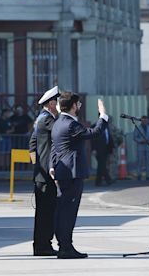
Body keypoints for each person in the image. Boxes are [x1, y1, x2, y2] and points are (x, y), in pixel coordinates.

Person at [50, 93, 108, 259]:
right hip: (72, 173)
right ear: (73, 106)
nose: (80, 106)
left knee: (62, 210)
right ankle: (66, 247)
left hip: (63, 171)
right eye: (79, 104)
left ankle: (64, 245)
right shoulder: (70, 124)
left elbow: (55, 149)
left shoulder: (58, 123)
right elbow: (94, 132)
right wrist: (103, 115)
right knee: (69, 212)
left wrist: (52, 166)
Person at [29, 85, 59, 256]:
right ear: (52, 103)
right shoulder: (47, 119)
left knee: (46, 212)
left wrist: (37, 165)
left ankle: (42, 245)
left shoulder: (42, 118)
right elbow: (63, 128)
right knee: (45, 213)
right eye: (58, 102)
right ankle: (42, 246)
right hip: (45, 175)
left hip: (42, 173)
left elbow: (32, 145)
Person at [91, 117, 115, 186]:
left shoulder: (106, 126)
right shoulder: (95, 126)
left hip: (106, 149)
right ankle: (107, 180)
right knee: (102, 165)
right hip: (98, 149)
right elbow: (92, 140)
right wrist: (93, 149)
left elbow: (109, 137)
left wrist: (112, 147)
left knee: (101, 165)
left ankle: (99, 181)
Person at [133, 116, 149, 181]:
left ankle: (148, 175)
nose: (145, 122)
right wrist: (140, 140)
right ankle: (139, 174)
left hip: (148, 146)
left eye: (146, 120)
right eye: (143, 120)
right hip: (140, 146)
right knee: (139, 161)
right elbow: (135, 137)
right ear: (141, 121)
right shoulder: (138, 128)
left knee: (148, 161)